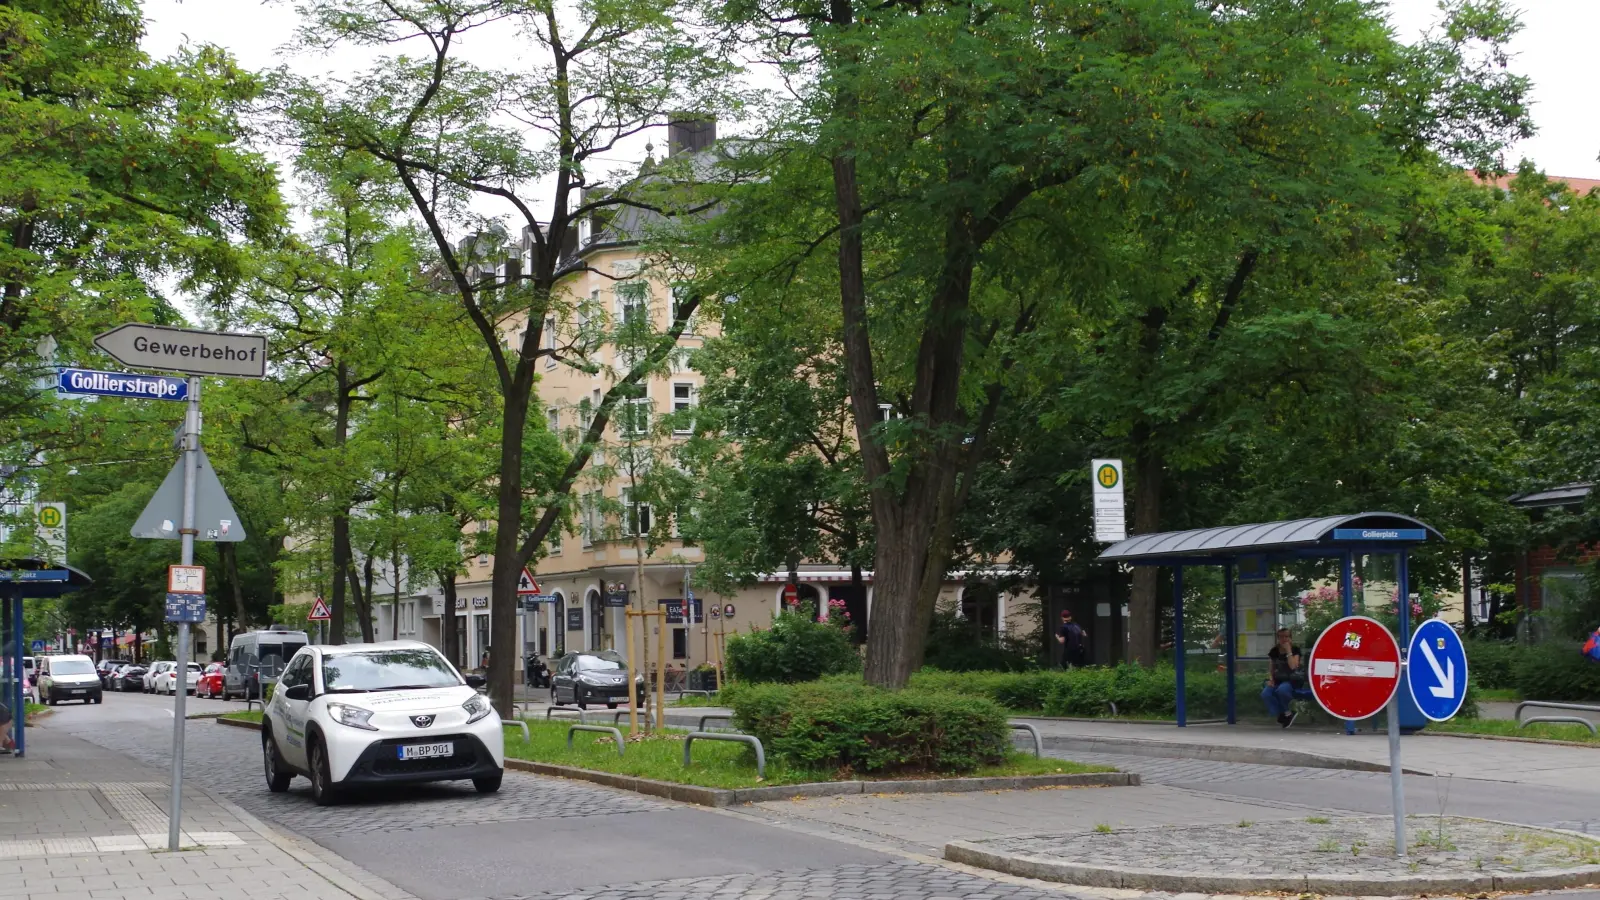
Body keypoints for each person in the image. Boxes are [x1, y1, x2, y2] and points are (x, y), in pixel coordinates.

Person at [1261, 628, 1304, 728]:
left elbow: (1293, 666)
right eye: (1281, 637)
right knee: (1266, 693)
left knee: (1282, 690)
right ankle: (1286, 713)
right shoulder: (1274, 651)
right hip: (1278, 680)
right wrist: (1271, 679)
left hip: (1292, 680)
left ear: (1290, 638)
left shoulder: (1295, 649)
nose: (1283, 639)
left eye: (1286, 636)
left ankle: (1286, 714)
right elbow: (1271, 668)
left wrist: (1288, 650)